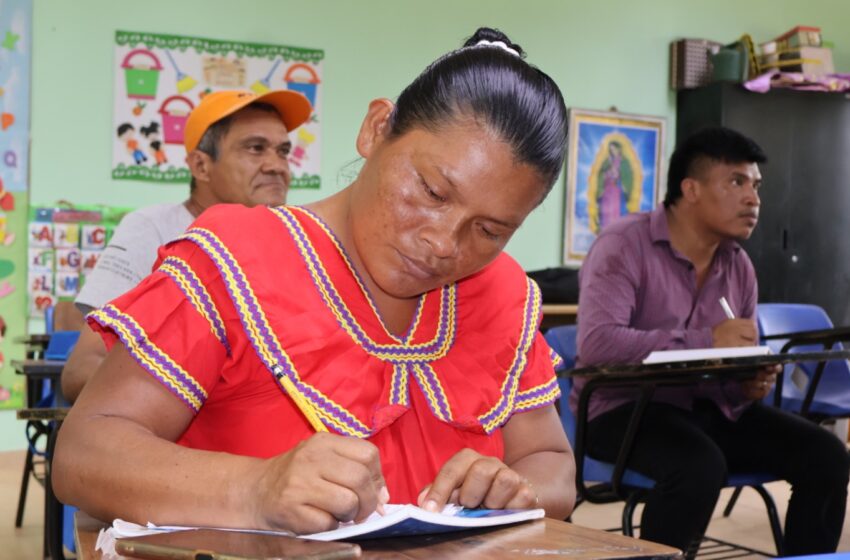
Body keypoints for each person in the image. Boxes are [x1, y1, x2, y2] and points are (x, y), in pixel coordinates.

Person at [53, 27, 576, 535]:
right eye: (433, 192)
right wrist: (253, 489)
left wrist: (514, 487)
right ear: (376, 128)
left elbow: (550, 463)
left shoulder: (499, 294)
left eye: (489, 230)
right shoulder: (236, 258)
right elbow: (84, 453)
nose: (444, 243)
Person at [572, 126, 850, 556]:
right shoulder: (623, 246)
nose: (753, 198)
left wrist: (749, 380)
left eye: (756, 185)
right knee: (698, 465)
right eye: (736, 182)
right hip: (623, 410)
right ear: (691, 189)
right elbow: (598, 346)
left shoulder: (739, 266)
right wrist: (707, 339)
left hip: (708, 407)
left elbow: (730, 368)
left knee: (826, 454)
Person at [60, 88, 312, 403]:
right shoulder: (154, 230)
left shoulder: (294, 242)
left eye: (283, 151)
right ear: (201, 166)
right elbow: (81, 371)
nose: (278, 166)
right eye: (255, 148)